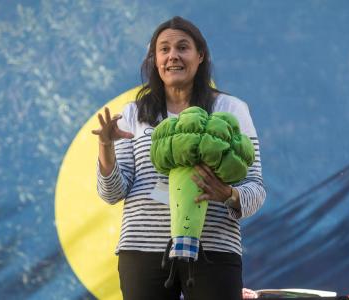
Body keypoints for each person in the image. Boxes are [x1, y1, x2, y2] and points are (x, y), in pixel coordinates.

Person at [92, 16, 266, 300]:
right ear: (154, 60)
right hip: (143, 251)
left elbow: (255, 189)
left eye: (182, 47)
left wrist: (227, 194)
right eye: (164, 49)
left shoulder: (231, 109)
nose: (173, 55)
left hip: (214, 250)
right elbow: (112, 193)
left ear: (200, 56)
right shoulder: (134, 113)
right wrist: (105, 147)